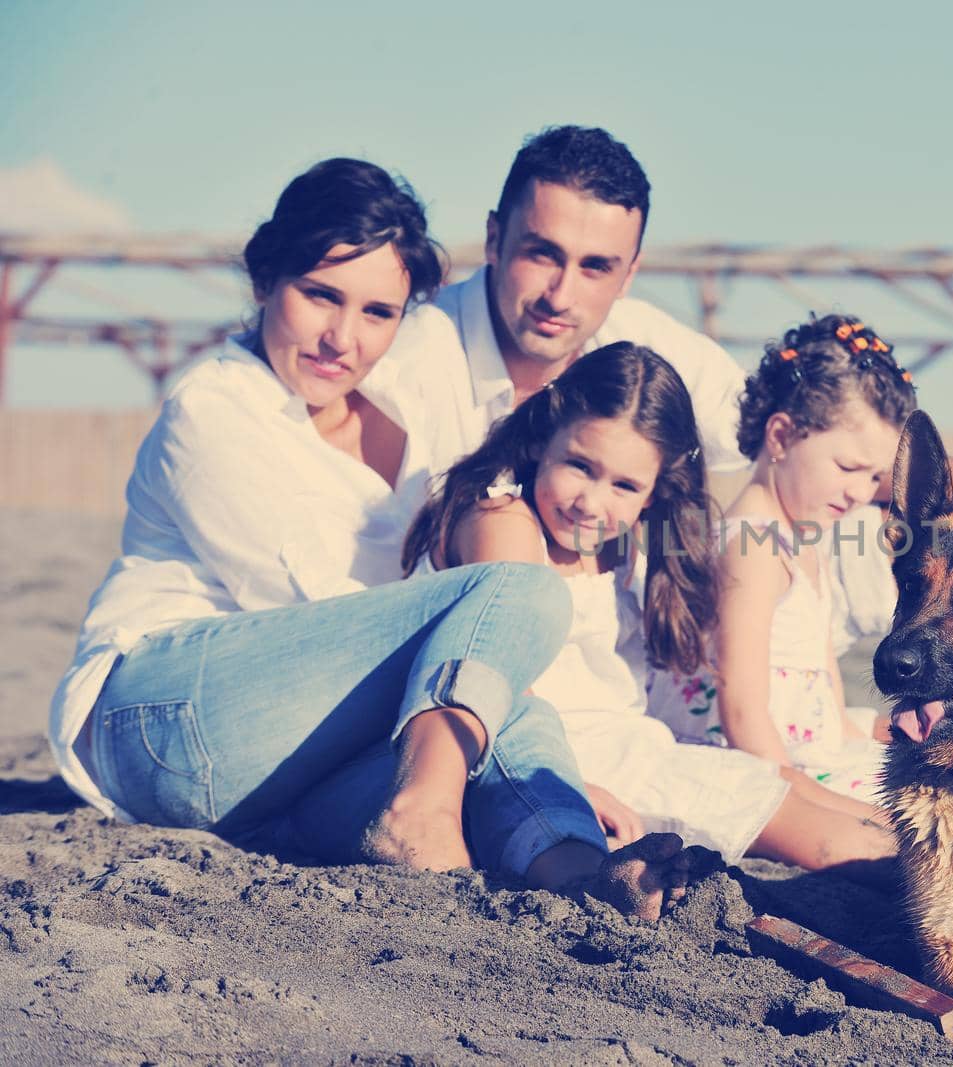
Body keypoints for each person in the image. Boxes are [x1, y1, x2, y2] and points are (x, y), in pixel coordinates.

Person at [48, 159, 697, 920]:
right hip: (161, 722)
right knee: (515, 602)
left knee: (515, 721)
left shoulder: (402, 406)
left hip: (277, 777)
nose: (341, 338)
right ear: (266, 278)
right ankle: (424, 808)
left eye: (378, 312)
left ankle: (583, 876)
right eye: (320, 294)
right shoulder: (213, 411)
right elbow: (323, 601)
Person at [386, 124, 953, 651]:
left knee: (813, 499)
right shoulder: (417, 358)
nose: (560, 292)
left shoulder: (644, 340)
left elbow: (800, 429)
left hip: (622, 652)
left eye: (595, 267)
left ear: (631, 269)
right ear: (492, 240)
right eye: (541, 254)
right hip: (466, 651)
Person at [403, 342, 898, 877]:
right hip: (556, 760)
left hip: (638, 750)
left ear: (654, 490)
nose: (592, 502)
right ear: (544, 439)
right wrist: (568, 786)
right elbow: (502, 685)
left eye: (625, 486)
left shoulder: (619, 546)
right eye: (579, 465)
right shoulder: (505, 521)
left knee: (831, 810)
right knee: (824, 839)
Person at [651, 315, 913, 800]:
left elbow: (825, 688)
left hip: (809, 754)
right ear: (780, 437)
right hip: (759, 764)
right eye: (848, 467)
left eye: (874, 478)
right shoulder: (751, 548)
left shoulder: (805, 538)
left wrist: (862, 741)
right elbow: (743, 712)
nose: (860, 492)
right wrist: (815, 803)